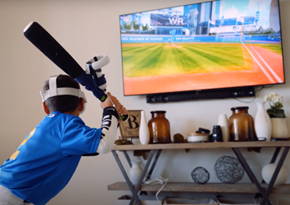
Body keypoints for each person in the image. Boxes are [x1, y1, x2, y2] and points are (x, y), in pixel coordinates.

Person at [0, 74, 127, 205]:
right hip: (10, 198)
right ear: (81, 104)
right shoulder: (65, 124)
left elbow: (92, 148)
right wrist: (109, 109)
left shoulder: (51, 125)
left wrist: (114, 120)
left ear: (45, 107)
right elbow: (103, 144)